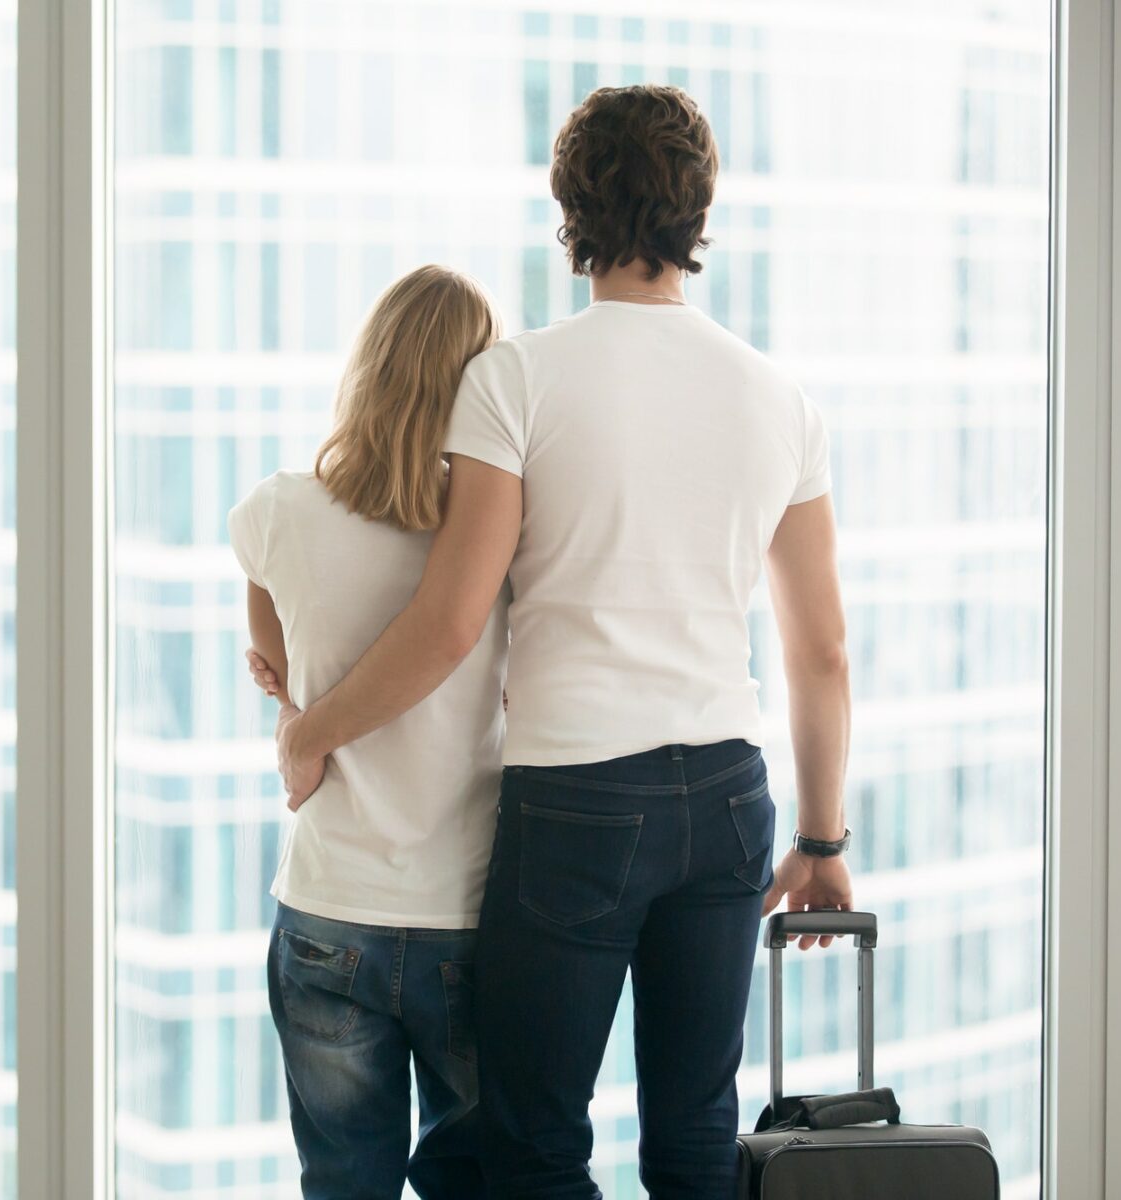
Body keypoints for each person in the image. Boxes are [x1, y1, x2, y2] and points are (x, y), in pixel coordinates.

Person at [254, 86, 856, 1199]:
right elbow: (820, 651)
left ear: (570, 208)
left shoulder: (517, 378)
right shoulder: (780, 399)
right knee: (693, 1136)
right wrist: (821, 838)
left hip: (577, 802)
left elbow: (447, 622)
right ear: (699, 210)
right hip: (729, 795)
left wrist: (312, 732)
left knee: (532, 1143)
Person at [228, 265, 508, 1199]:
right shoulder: (497, 535)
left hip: (327, 912)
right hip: (466, 913)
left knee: (343, 1185)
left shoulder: (275, 513)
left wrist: (303, 703)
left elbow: (278, 677)